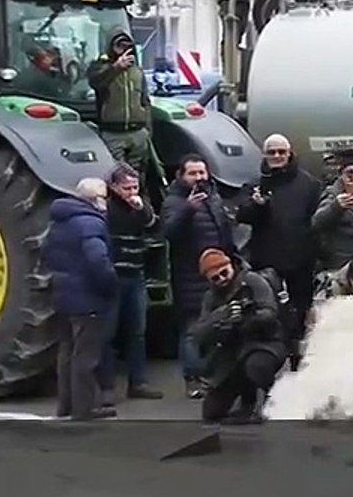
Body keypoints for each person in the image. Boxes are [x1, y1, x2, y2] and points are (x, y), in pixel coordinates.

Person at [236, 134, 323, 363]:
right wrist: (257, 206)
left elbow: (318, 222)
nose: (277, 156)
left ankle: (299, 361)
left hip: (300, 262)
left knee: (300, 317)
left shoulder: (310, 184)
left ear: (290, 153)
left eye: (281, 152)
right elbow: (241, 216)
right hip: (265, 263)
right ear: (264, 154)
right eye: (272, 152)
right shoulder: (254, 184)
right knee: (267, 317)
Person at [161, 154, 238, 399]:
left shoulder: (213, 197)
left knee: (219, 324)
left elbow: (224, 231)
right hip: (190, 276)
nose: (198, 178)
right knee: (192, 328)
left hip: (219, 272)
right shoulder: (174, 201)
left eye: (202, 172)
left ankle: (214, 375)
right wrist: (188, 209)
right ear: (181, 176)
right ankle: (192, 378)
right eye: (193, 173)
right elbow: (168, 233)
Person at [44, 178, 118, 421]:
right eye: (104, 197)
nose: (106, 202)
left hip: (63, 296)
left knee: (66, 352)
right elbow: (97, 260)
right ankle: (84, 409)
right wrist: (110, 284)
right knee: (86, 357)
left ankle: (65, 406)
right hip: (89, 298)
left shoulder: (59, 221)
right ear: (96, 199)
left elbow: (46, 253)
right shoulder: (91, 223)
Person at [188, 249, 286, 424]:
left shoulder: (253, 281)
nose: (222, 279)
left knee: (256, 366)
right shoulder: (210, 297)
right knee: (211, 412)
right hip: (231, 353)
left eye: (224, 273)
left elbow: (270, 312)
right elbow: (198, 334)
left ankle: (271, 401)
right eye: (215, 278)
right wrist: (220, 316)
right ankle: (246, 403)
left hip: (264, 342)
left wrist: (246, 316)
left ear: (231, 266)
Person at [99, 164, 163, 403]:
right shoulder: (106, 209)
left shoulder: (140, 207)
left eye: (135, 187)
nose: (132, 192)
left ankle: (139, 382)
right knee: (108, 334)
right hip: (114, 277)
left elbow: (156, 228)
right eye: (127, 188)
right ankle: (106, 387)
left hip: (135, 275)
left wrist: (143, 210)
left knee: (137, 332)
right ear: (114, 187)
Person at [87, 29, 152, 181]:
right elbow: (95, 83)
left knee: (138, 174)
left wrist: (148, 130)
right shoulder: (100, 67)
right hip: (113, 132)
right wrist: (115, 68)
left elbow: (145, 101)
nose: (124, 49)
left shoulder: (137, 71)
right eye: (119, 46)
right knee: (116, 174)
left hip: (138, 132)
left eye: (127, 46)